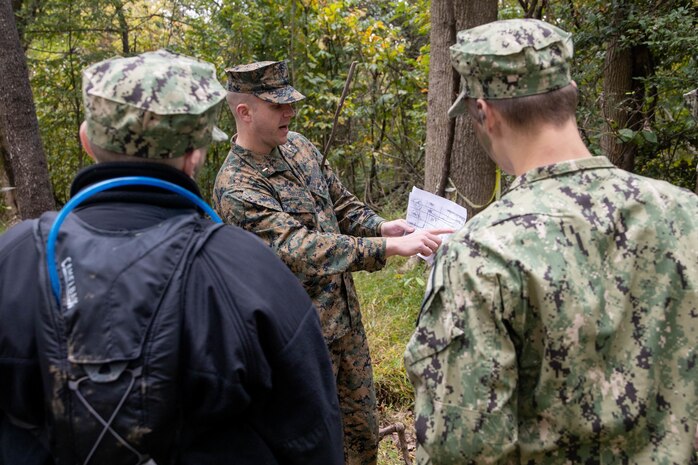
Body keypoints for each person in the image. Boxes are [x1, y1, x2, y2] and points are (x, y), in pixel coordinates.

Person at [0, 50, 344, 465]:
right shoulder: (248, 269)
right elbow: (311, 436)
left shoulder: (14, 259)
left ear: (86, 140)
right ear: (194, 154)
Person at [404, 18, 698, 464]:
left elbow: (463, 447)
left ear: (484, 112)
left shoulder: (482, 254)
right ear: (569, 94)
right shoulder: (686, 213)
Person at [213, 60, 450, 465]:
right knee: (310, 445)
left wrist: (382, 227)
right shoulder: (237, 187)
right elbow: (299, 247)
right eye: (278, 106)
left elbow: (339, 202)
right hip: (295, 341)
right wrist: (387, 249)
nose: (290, 112)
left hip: (345, 325)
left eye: (291, 103)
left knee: (361, 437)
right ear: (244, 112)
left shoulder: (299, 146)